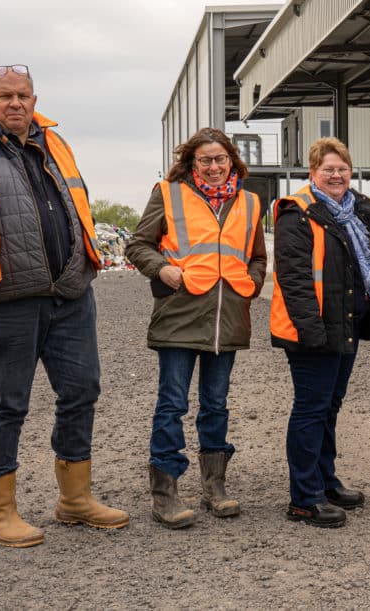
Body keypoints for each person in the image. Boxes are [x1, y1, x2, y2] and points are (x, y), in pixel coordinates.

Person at [0, 65, 128, 547]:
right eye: (5, 96)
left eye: (23, 95)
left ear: (35, 99)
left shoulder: (54, 142)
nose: (15, 103)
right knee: (7, 403)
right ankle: (0, 513)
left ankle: (74, 500)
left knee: (81, 391)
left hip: (70, 294)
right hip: (5, 298)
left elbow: (75, 205)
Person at [125, 128, 267, 529]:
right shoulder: (168, 194)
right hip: (180, 315)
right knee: (172, 404)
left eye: (220, 159)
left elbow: (256, 256)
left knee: (216, 405)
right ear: (191, 163)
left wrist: (253, 283)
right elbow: (137, 245)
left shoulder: (251, 202)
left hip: (228, 319)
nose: (214, 166)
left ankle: (214, 488)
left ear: (232, 161)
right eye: (205, 160)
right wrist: (162, 269)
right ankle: (165, 494)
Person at [271, 137, 370, 528]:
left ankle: (325, 481)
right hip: (315, 332)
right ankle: (304, 498)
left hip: (346, 326)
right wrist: (312, 333)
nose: (337, 175)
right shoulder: (298, 214)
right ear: (313, 174)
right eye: (328, 169)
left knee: (329, 407)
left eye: (342, 168)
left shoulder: (356, 210)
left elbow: (368, 266)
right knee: (310, 410)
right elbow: (295, 280)